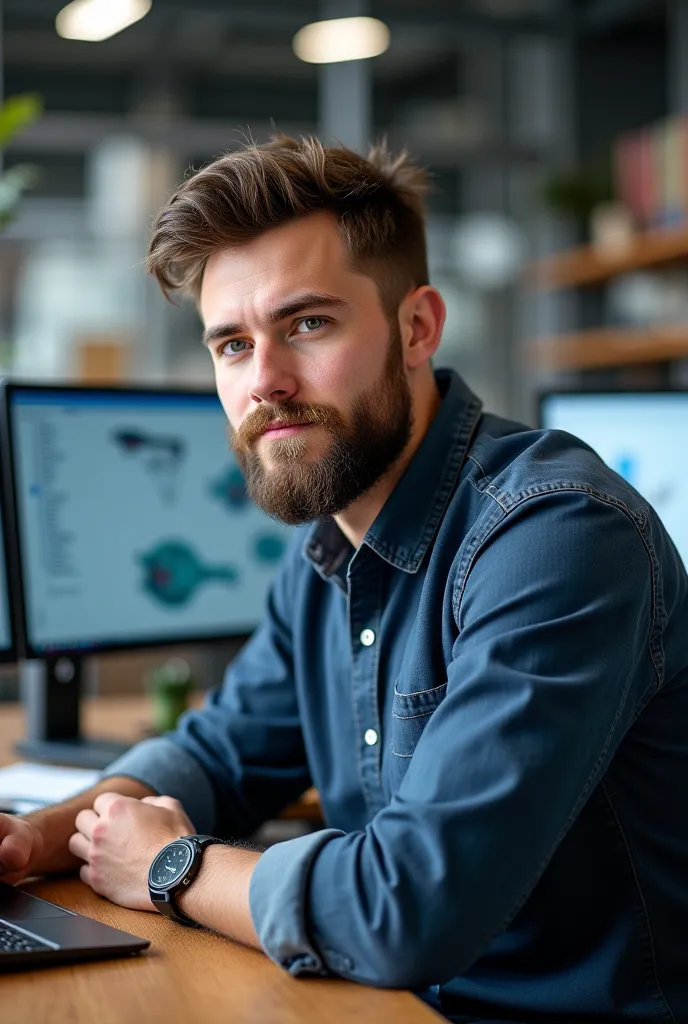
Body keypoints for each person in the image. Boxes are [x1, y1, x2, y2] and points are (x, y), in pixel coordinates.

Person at [2, 135, 688, 1024]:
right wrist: (42, 835)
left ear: (418, 327)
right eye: (233, 345)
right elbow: (217, 755)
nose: (266, 383)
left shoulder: (557, 534)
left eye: (308, 324)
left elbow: (411, 908)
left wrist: (172, 867)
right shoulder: (331, 545)